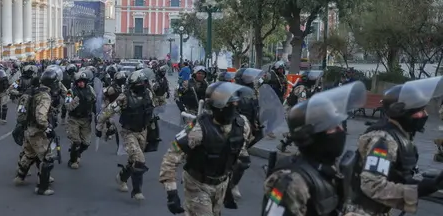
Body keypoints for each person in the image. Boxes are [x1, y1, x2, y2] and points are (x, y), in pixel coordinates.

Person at [262, 81, 368, 216]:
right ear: (311, 136)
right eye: (332, 127)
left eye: (339, 125)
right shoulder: (291, 182)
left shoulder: (329, 169)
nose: (340, 130)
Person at [345, 77, 443, 216]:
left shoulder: (400, 135)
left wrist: (431, 182)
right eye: (419, 111)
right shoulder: (383, 141)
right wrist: (420, 189)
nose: (425, 115)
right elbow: (372, 187)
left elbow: (397, 175)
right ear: (401, 113)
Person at [159, 82, 251, 215]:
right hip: (197, 185)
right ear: (217, 107)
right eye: (228, 104)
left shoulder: (242, 125)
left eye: (235, 103)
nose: (233, 107)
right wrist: (171, 192)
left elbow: (239, 147)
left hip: (221, 184)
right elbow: (171, 157)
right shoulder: (197, 128)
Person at [96, 70, 154, 200]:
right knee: (139, 160)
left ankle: (121, 177)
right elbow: (108, 111)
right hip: (128, 132)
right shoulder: (124, 97)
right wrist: (99, 126)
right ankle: (137, 190)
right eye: (140, 83)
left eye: (143, 82)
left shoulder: (148, 94)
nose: (142, 85)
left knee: (133, 160)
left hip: (143, 131)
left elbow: (152, 109)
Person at [13, 69, 57, 196]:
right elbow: (40, 116)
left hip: (28, 128)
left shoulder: (32, 91)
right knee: (47, 158)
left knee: (29, 154)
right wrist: (47, 128)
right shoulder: (44, 96)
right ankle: (42, 187)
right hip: (37, 131)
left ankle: (20, 177)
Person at [65, 70, 97, 169]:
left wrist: (98, 114)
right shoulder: (70, 92)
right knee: (76, 141)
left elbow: (95, 100)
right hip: (74, 119)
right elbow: (67, 106)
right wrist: (76, 100)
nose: (81, 83)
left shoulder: (90, 89)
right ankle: (72, 161)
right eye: (79, 81)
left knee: (86, 143)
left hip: (86, 119)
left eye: (83, 81)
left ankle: (77, 153)